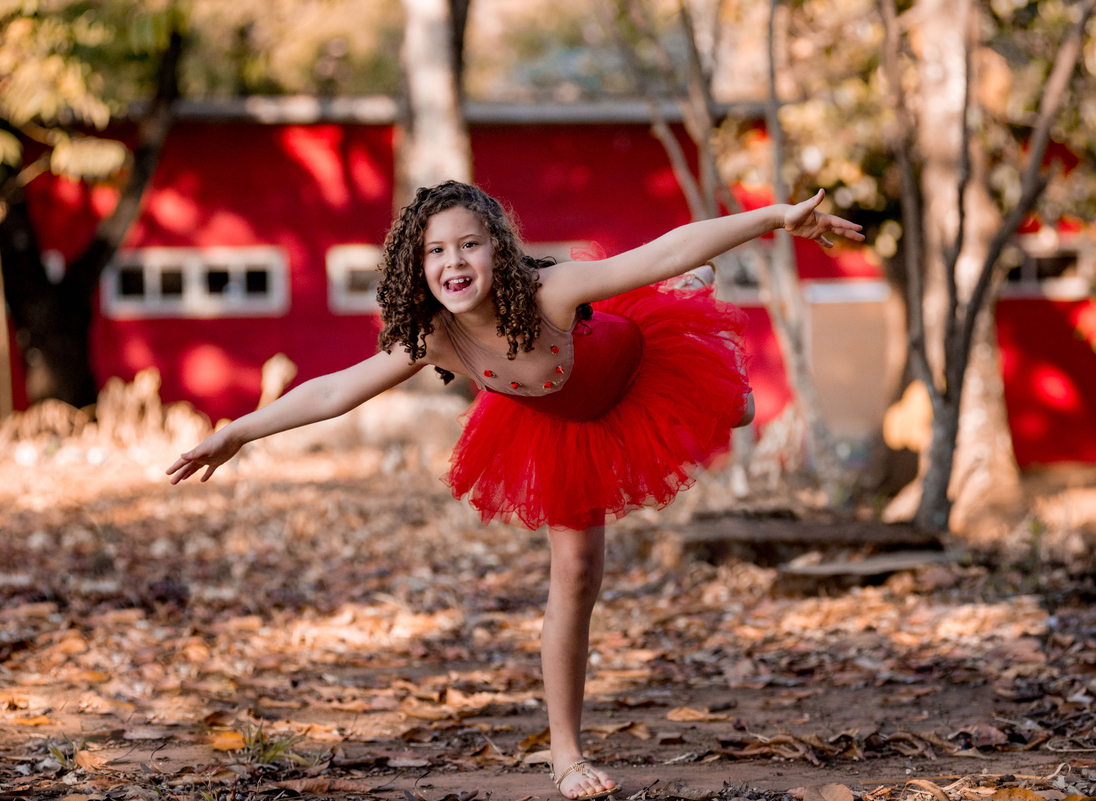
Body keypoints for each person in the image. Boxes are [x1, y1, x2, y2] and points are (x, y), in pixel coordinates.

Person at [167, 181, 863, 799]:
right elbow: (335, 390)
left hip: (638, 362)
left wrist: (774, 217)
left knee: (735, 407)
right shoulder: (434, 338)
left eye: (470, 244)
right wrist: (240, 431)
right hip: (562, 424)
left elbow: (664, 248)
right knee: (576, 574)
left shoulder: (550, 291)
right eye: (436, 251)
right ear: (416, 266)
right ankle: (566, 751)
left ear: (499, 251)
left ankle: (687, 301)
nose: (454, 262)